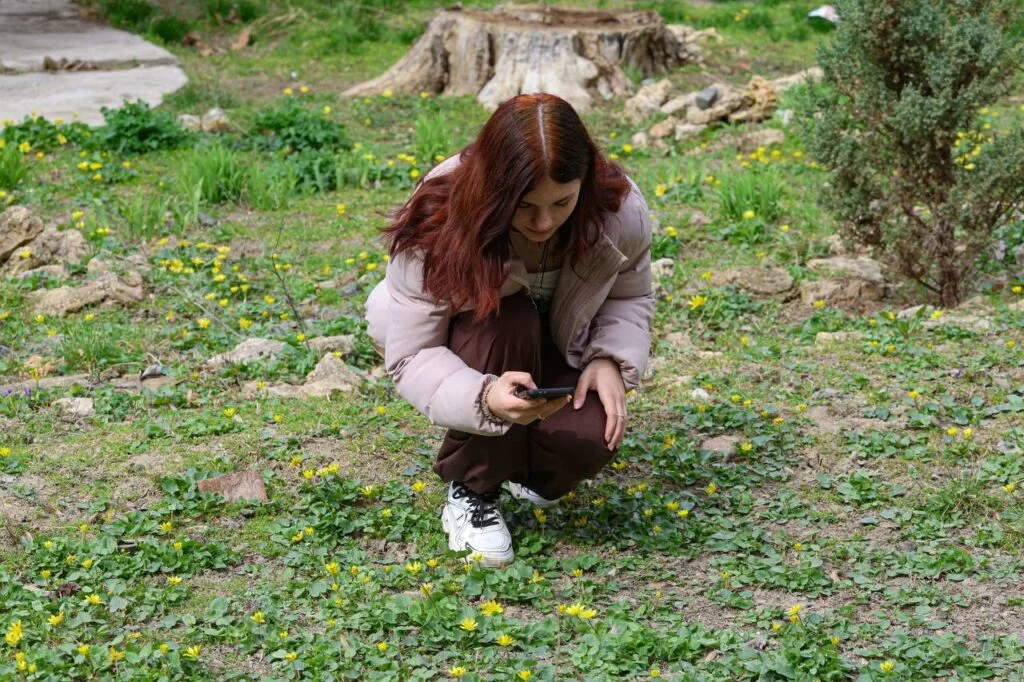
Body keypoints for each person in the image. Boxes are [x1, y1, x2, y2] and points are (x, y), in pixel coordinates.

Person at [365, 93, 654, 567]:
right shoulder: (439, 215)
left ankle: (527, 470)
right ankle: (472, 487)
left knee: (590, 436)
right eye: (524, 206)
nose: (544, 222)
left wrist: (608, 357)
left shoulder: (616, 210)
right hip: (475, 340)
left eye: (562, 202)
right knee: (510, 319)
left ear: (584, 183)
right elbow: (413, 352)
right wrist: (484, 398)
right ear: (492, 189)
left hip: (562, 340)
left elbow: (629, 297)